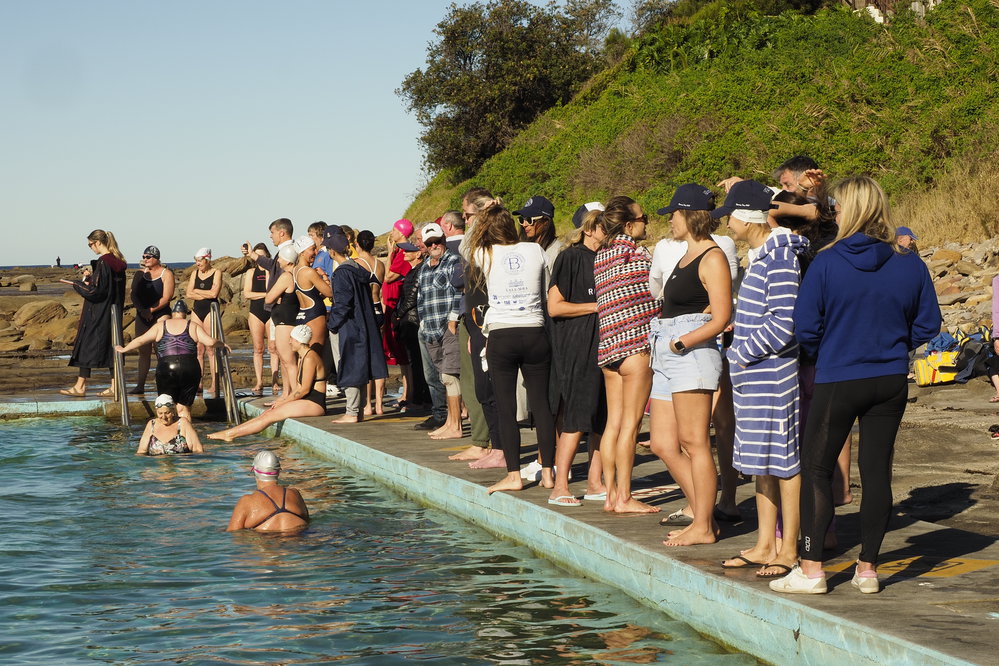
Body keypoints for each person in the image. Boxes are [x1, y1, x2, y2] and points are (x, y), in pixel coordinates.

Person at [771, 176, 941, 595]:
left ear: (851, 210)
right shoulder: (909, 263)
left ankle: (812, 570)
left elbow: (805, 326)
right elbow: (928, 324)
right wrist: (893, 342)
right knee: (877, 472)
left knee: (815, 469)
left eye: (837, 206)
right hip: (888, 379)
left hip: (838, 375)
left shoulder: (826, 261)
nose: (834, 212)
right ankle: (867, 568)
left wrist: (830, 348)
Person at [718, 181, 808, 577]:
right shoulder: (762, 255)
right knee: (761, 461)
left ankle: (789, 548)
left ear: (746, 217)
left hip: (772, 374)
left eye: (730, 216)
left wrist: (739, 351)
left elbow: (786, 323)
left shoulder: (781, 257)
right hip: (755, 375)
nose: (727, 224)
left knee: (784, 461)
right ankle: (764, 542)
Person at [648, 184, 732, 545]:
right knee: (662, 443)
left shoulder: (712, 257)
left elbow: (722, 315)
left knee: (695, 442)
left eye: (674, 214)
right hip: (667, 350)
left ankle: (703, 525)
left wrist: (683, 340)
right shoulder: (683, 255)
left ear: (690, 216)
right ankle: (703, 515)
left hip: (690, 351)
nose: (669, 220)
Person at [465, 204, 556, 495]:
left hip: (503, 335)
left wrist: (480, 217)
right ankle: (549, 473)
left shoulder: (483, 253)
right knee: (542, 405)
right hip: (535, 331)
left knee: (505, 408)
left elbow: (466, 244)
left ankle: (514, 475)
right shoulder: (534, 250)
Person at [593, 197, 660, 514]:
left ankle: (609, 496)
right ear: (630, 224)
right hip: (635, 348)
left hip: (608, 351)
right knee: (631, 427)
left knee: (613, 425)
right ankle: (624, 497)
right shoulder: (637, 253)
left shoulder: (601, 256)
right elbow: (655, 297)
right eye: (644, 217)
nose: (647, 222)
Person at [546, 204, 608, 506]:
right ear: (588, 228)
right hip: (576, 344)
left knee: (601, 417)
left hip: (606, 344)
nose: (607, 228)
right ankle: (560, 486)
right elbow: (555, 306)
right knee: (577, 414)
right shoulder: (570, 258)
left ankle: (596, 483)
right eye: (601, 223)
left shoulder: (608, 258)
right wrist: (595, 306)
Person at [208, 325, 326, 441]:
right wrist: (283, 401)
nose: (289, 342)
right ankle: (231, 432)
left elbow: (304, 389)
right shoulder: (303, 357)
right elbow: (299, 387)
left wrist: (284, 402)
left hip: (315, 403)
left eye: (292, 339)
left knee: (270, 416)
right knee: (267, 413)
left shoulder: (310, 358)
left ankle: (230, 434)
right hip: (307, 401)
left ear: (299, 341)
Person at [115, 300, 223, 421]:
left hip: (166, 368)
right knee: (184, 409)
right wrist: (222, 344)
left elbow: (141, 340)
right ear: (185, 314)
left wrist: (124, 349)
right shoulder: (192, 325)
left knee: (166, 406)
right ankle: (184, 436)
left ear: (173, 313)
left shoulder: (161, 325)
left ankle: (167, 436)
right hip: (189, 367)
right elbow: (210, 342)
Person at [323, 227, 389, 424]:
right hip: (363, 324)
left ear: (332, 251)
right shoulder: (358, 268)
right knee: (360, 366)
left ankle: (352, 412)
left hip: (349, 327)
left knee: (349, 365)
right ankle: (357, 411)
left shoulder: (342, 273)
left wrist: (332, 324)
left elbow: (343, 304)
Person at [60, 229, 127, 397]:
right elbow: (107, 286)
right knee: (113, 346)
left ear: (98, 242)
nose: (90, 247)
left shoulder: (104, 262)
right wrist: (91, 278)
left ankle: (80, 386)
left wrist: (77, 284)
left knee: (86, 343)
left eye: (90, 244)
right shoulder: (117, 261)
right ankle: (114, 385)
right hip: (114, 310)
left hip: (98, 312)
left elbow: (95, 292)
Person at [414, 222, 464, 438]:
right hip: (431, 328)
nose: (434, 245)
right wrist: (423, 323)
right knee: (443, 377)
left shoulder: (453, 261)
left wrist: (453, 319)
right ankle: (450, 421)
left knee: (450, 375)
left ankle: (456, 425)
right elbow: (421, 297)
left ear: (444, 240)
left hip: (448, 326)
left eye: (437, 241)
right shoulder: (425, 267)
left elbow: (458, 292)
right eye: (430, 243)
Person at [390, 239, 432, 410]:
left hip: (412, 320)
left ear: (418, 254)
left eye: (408, 251)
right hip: (409, 319)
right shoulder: (413, 271)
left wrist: (399, 315)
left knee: (418, 362)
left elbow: (412, 296)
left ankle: (421, 400)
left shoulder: (418, 271)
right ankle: (419, 398)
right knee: (415, 361)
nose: (404, 253)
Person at [129, 245, 175, 395]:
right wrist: (143, 311)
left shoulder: (166, 274)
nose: (145, 259)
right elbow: (133, 295)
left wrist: (151, 310)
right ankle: (140, 385)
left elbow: (166, 297)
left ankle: (165, 384)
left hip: (160, 312)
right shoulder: (140, 274)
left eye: (148, 257)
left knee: (161, 350)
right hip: (143, 314)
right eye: (144, 257)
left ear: (156, 258)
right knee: (143, 351)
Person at [227, 451, 310, 532]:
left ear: (254, 470)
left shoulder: (247, 501)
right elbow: (308, 522)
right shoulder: (295, 494)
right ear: (278, 471)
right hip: (299, 540)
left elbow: (233, 534)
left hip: (267, 541)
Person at [355, 229, 388, 416]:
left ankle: (368, 404)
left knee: (366, 358)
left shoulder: (357, 264)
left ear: (358, 245)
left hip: (366, 310)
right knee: (379, 356)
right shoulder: (380, 265)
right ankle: (381, 405)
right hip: (378, 309)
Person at [265, 244, 302, 398]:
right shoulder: (298, 274)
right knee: (288, 362)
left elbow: (268, 298)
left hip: (285, 323)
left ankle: (294, 395)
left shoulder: (286, 276)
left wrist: (277, 296)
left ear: (288, 261)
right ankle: (287, 394)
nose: (278, 261)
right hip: (289, 320)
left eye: (280, 258)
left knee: (289, 362)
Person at [187, 248, 222, 398]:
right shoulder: (195, 273)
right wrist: (204, 294)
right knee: (198, 349)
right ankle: (198, 382)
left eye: (200, 260)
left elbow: (214, 294)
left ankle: (215, 382)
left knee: (210, 348)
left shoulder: (217, 272)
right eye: (196, 260)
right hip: (197, 311)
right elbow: (188, 293)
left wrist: (197, 292)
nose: (197, 263)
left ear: (207, 260)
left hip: (210, 310)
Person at [243, 243, 273, 396]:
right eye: (257, 255)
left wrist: (268, 273)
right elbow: (247, 294)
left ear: (267, 255)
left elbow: (270, 289)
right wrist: (264, 296)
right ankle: (259, 381)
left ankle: (275, 381)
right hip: (256, 312)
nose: (260, 258)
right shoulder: (251, 272)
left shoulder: (272, 271)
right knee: (258, 349)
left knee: (274, 349)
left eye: (263, 255)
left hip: (271, 312)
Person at [292, 235, 332, 349]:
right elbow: (329, 293)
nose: (316, 252)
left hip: (301, 315)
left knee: (303, 354)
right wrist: (324, 275)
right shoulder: (309, 272)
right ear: (302, 252)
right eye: (312, 249)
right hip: (315, 316)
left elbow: (309, 294)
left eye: (316, 248)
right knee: (316, 354)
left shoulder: (295, 270)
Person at [136, 394, 204, 455]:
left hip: (181, 466)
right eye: (160, 413)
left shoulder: (183, 423)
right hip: (156, 467)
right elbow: (141, 452)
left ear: (173, 411)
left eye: (167, 413)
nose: (164, 417)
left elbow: (198, 449)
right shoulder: (151, 424)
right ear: (156, 412)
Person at [514, 195, 564, 265]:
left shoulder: (559, 252)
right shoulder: (523, 249)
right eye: (521, 220)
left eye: (529, 220)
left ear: (546, 222)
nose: (524, 224)